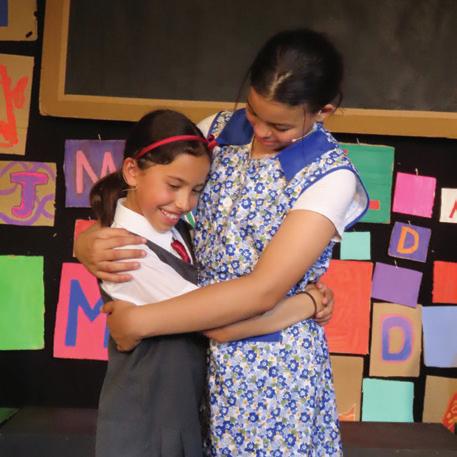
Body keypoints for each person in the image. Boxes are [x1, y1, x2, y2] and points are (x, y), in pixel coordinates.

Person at [77, 29, 369, 455]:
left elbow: (261, 291)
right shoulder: (216, 131)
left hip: (267, 372)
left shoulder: (330, 177)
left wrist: (140, 321)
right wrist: (89, 241)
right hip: (190, 361)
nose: (261, 131)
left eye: (280, 125)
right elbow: (142, 188)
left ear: (323, 111)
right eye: (253, 112)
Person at [91, 109, 330, 457]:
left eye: (197, 190)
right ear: (131, 171)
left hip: (175, 416)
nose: (184, 203)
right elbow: (222, 325)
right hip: (146, 428)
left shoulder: (174, 231)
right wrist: (307, 303)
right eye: (174, 185)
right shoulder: (128, 253)